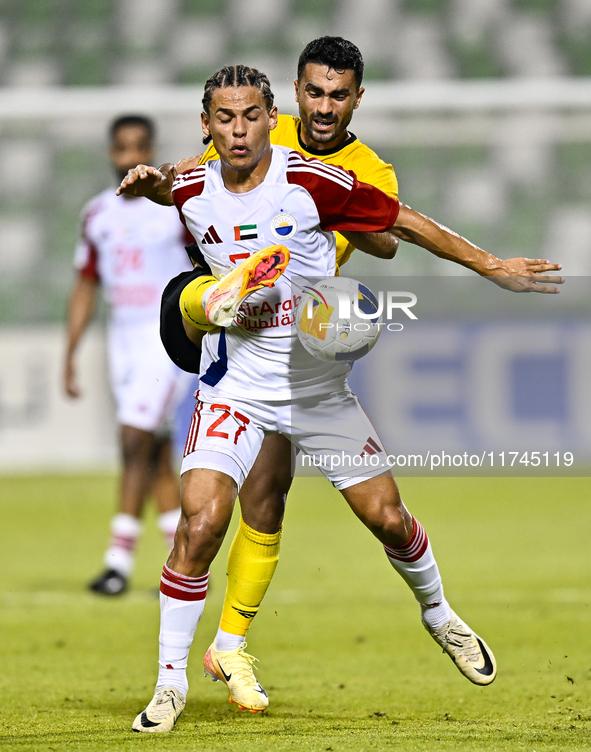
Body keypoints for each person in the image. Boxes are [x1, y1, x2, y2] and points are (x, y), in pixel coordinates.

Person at [120, 37, 563, 718]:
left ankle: (438, 613)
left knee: (386, 519)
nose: (238, 129)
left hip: (314, 385)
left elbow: (399, 226)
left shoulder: (315, 180)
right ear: (207, 123)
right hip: (233, 385)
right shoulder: (188, 183)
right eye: (224, 118)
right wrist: (152, 187)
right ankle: (170, 680)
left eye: (249, 116)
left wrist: (488, 264)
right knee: (202, 524)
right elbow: (173, 188)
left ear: (274, 118)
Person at [64, 115, 194, 595]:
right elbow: (85, 284)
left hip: (166, 337)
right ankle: (182, 554)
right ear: (111, 153)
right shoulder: (97, 214)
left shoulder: (176, 207)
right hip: (121, 340)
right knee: (154, 453)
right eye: (122, 148)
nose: (130, 156)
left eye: (140, 147)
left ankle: (117, 562)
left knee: (133, 437)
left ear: (151, 148)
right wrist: (71, 352)